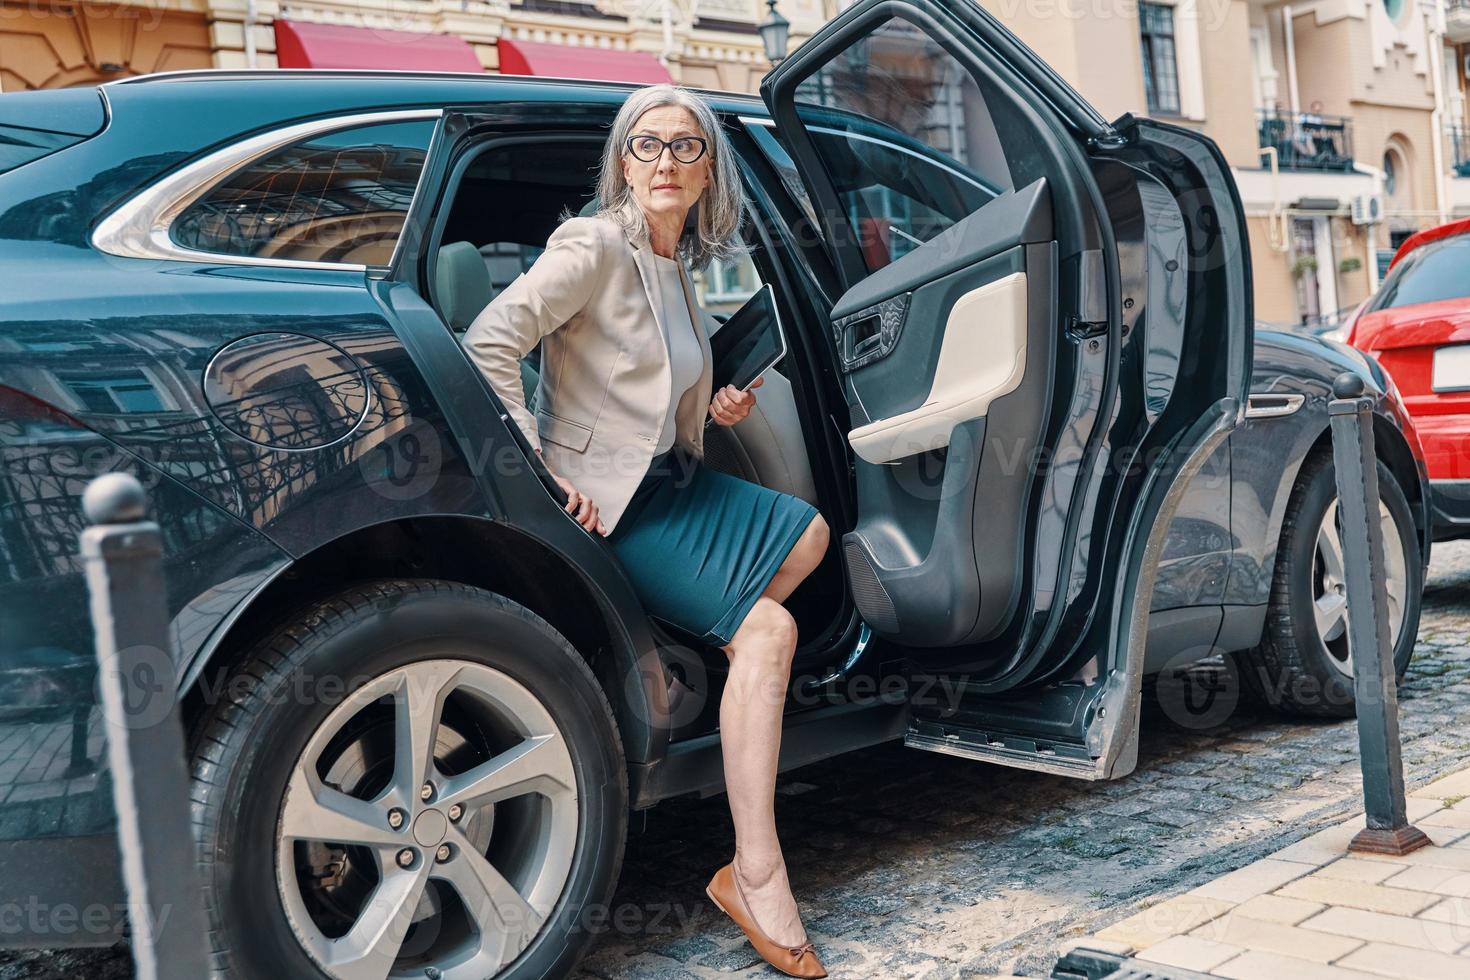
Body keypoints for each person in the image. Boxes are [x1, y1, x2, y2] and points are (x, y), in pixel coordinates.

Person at [462, 83, 832, 979]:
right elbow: (486, 341)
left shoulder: (675, 265)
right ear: (621, 162)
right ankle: (755, 871)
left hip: (674, 482)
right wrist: (542, 474)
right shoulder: (592, 244)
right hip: (610, 505)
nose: (665, 162)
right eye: (646, 145)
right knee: (771, 632)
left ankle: (677, 648)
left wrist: (718, 405)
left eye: (685, 147)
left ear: (709, 171)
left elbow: (658, 391)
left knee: (811, 534)